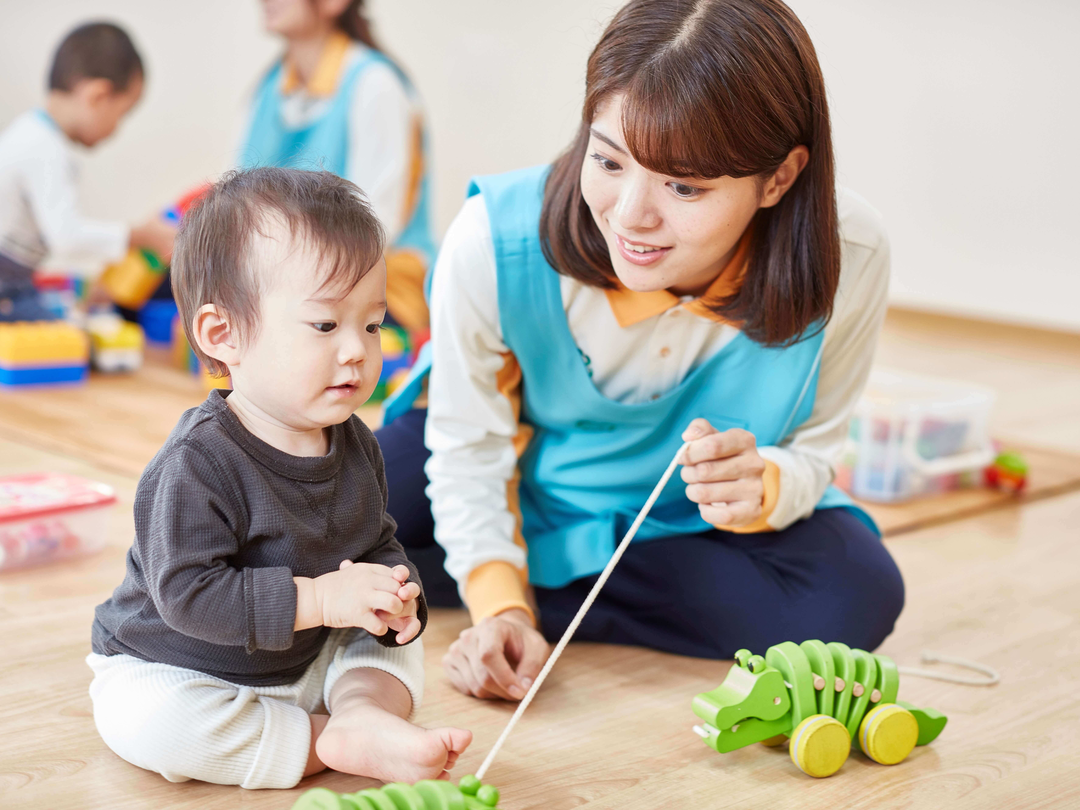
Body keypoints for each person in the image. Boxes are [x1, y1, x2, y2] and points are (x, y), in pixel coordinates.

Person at [377, 0, 905, 702]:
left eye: (683, 185)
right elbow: (467, 446)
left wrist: (765, 483)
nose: (630, 215)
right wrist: (500, 608)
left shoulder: (849, 254)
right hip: (513, 467)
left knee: (856, 592)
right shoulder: (492, 241)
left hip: (680, 521)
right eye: (608, 160)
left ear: (779, 178)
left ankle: (482, 576)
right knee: (335, 509)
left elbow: (814, 453)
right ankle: (504, 579)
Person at [86, 168, 471, 789]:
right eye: (325, 325)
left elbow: (375, 543)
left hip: (303, 656)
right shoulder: (196, 462)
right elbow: (188, 596)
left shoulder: (355, 443)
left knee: (393, 648)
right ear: (224, 334)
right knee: (148, 722)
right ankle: (326, 740)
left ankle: (361, 713)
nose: (356, 350)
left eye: (371, 325)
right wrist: (320, 600)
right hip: (184, 666)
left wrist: (397, 597)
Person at [240, 0, 435, 335]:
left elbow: (374, 226)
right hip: (283, 278)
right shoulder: (268, 89)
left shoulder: (375, 83)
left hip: (369, 282)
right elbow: (241, 203)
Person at [0, 22, 175, 321]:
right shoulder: (44, 146)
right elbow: (67, 237)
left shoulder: (33, 134)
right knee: (73, 337)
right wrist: (141, 236)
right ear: (98, 96)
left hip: (16, 281)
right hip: (6, 288)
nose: (116, 129)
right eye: (122, 114)